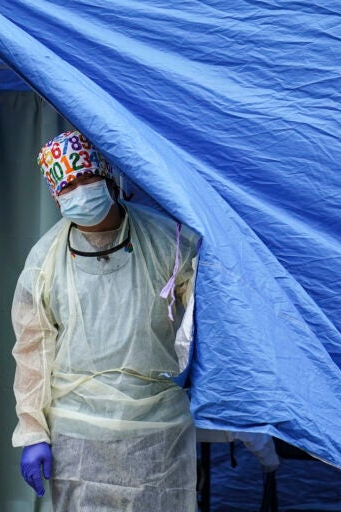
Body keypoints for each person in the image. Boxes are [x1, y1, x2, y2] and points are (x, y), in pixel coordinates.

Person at [11, 130, 200, 511]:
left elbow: (211, 317)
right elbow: (33, 352)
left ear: (108, 176)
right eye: (68, 185)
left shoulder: (170, 240)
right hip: (78, 432)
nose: (79, 191)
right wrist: (33, 432)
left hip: (156, 430)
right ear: (56, 196)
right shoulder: (44, 260)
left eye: (86, 178)